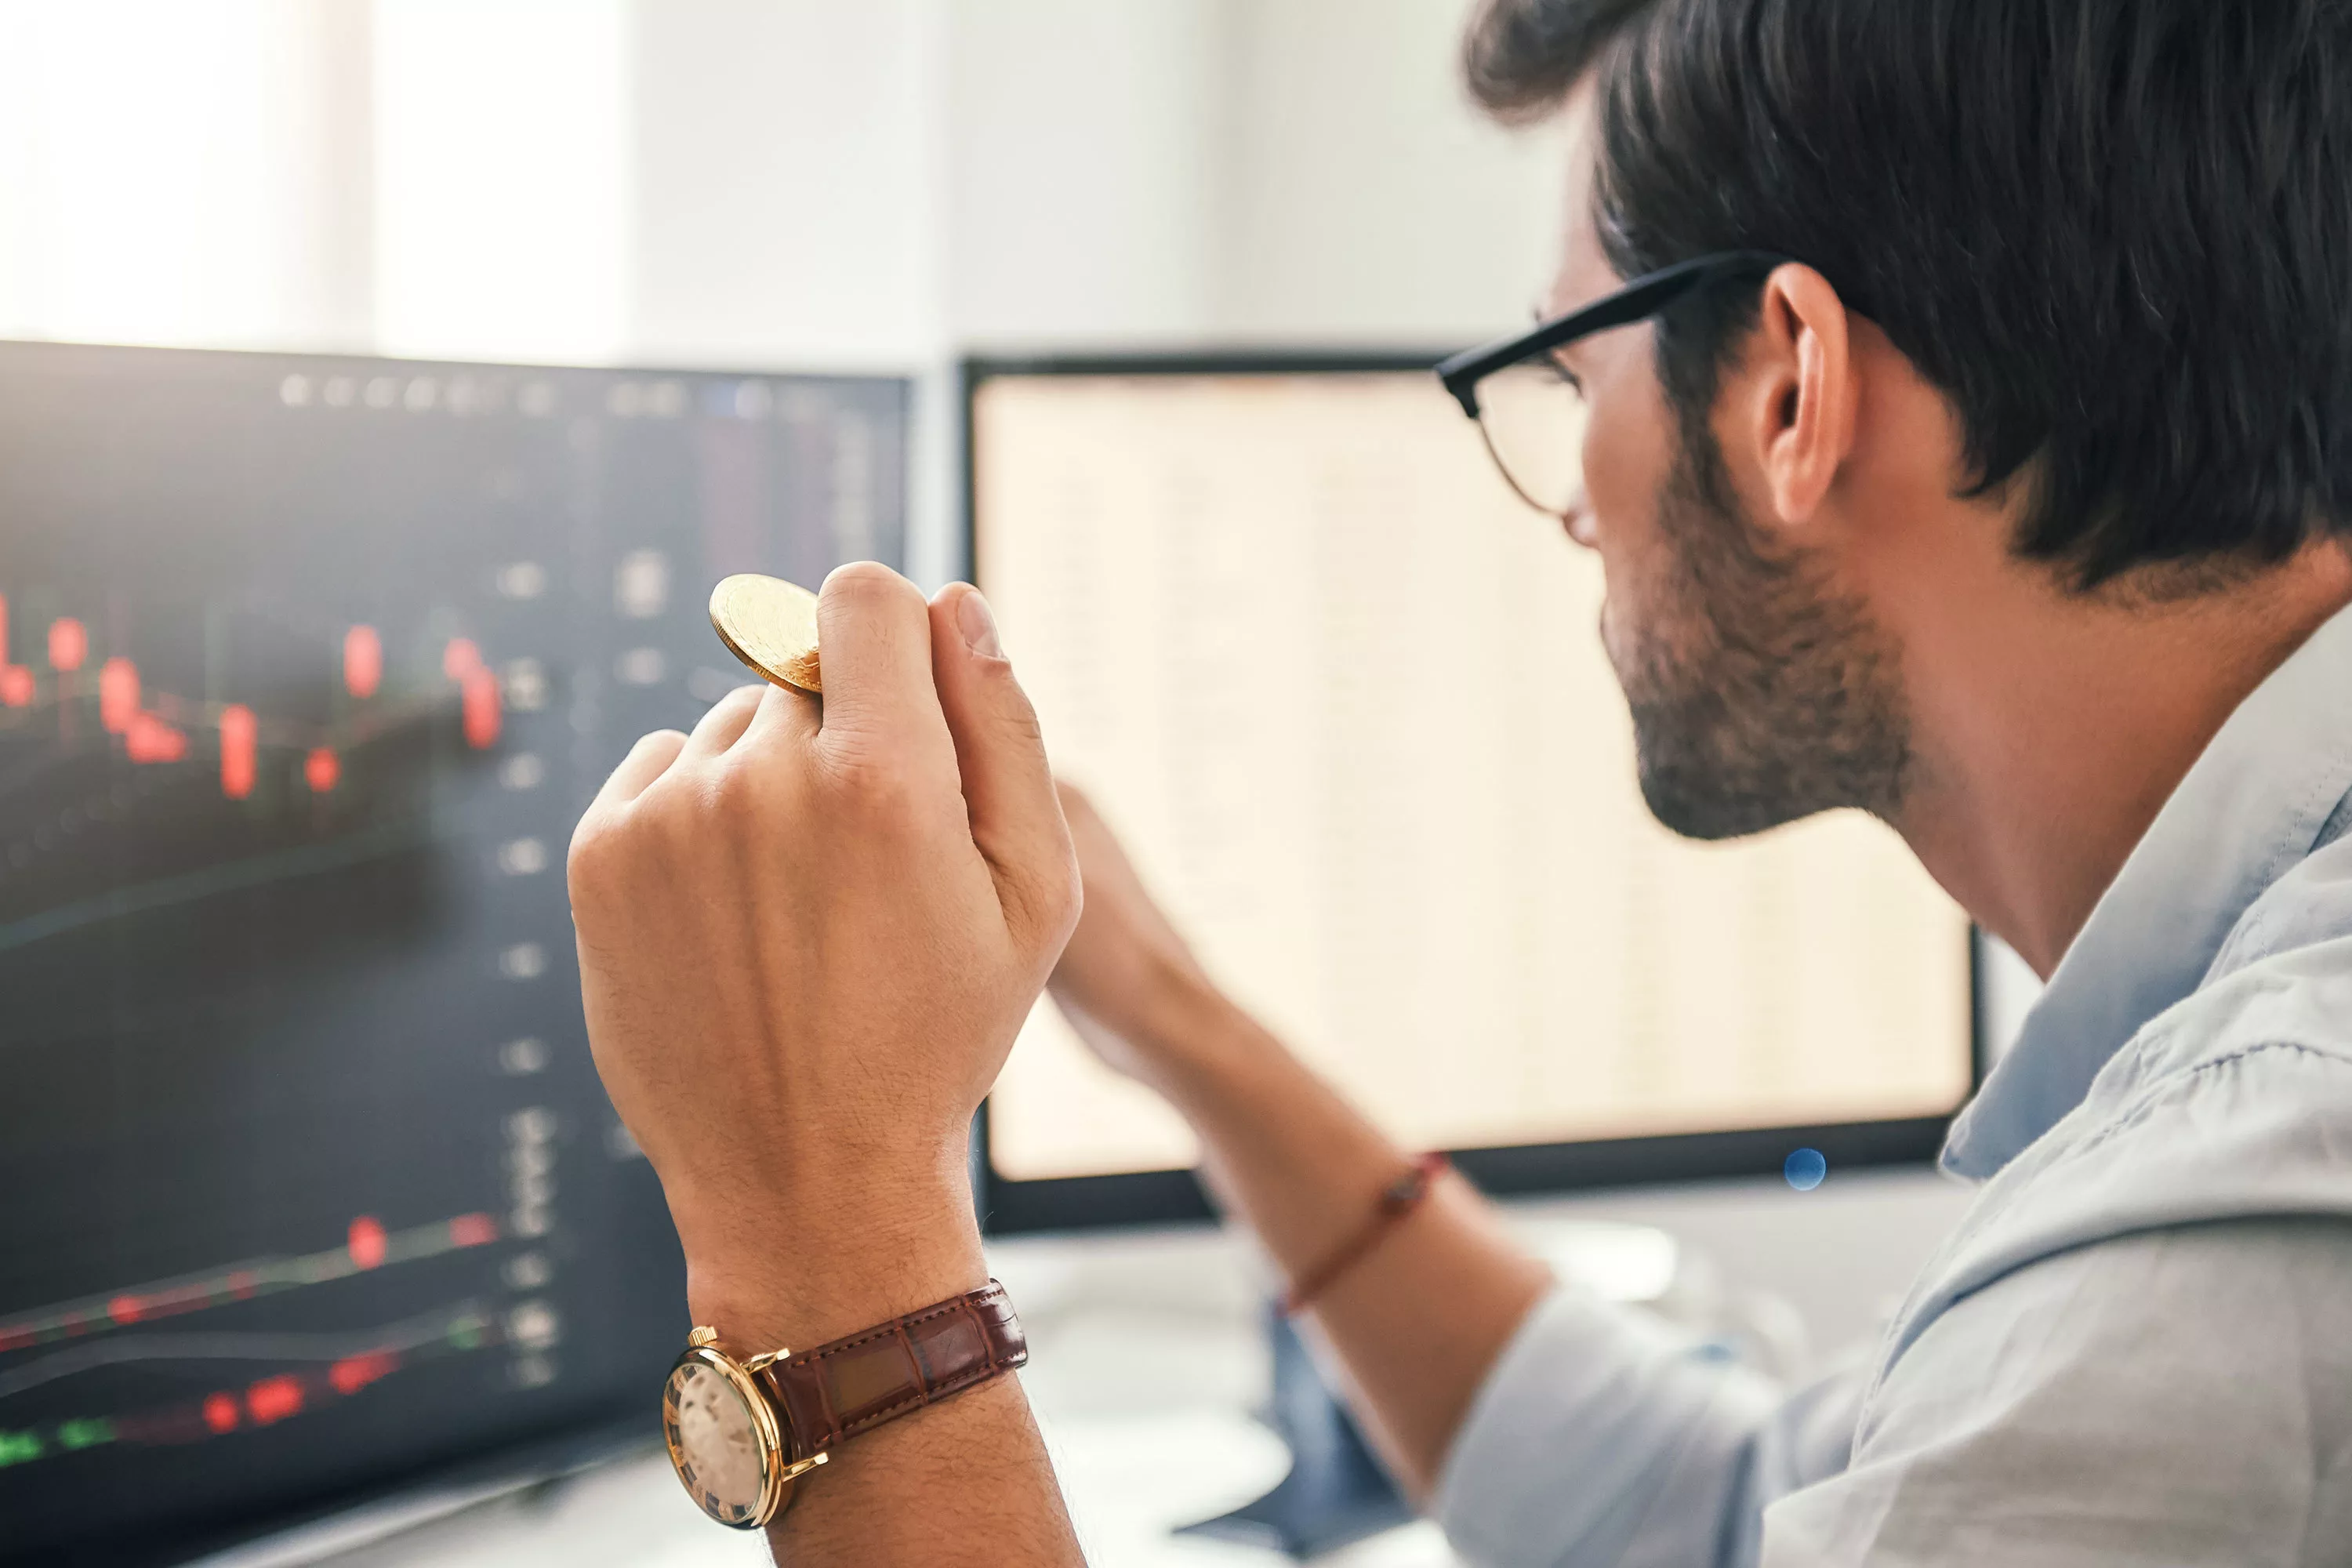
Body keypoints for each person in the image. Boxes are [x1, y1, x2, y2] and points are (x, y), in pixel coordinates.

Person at [563, 0, 2352, 1561]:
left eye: (1568, 372)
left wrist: (826, 1227)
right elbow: (1718, 1522)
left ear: (1790, 394)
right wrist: (1166, 1011)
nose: (1572, 492)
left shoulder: (2231, 1245)